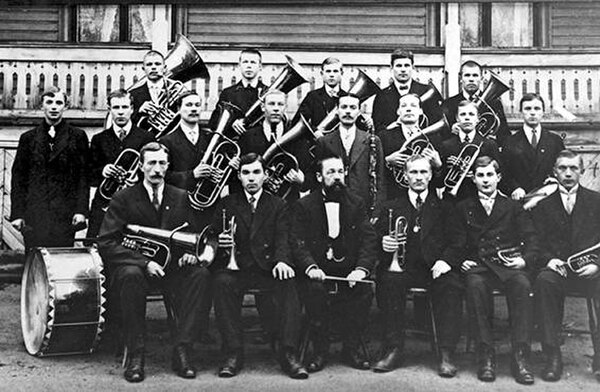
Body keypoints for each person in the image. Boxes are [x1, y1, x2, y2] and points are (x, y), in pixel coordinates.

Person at [98, 142, 212, 383]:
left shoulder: (181, 197)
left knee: (200, 275)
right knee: (130, 275)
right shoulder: (123, 197)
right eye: (151, 163)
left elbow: (196, 235)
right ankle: (136, 354)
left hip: (172, 268)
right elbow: (107, 242)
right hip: (137, 268)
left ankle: (183, 348)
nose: (156, 169)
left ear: (168, 166)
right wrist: (143, 262)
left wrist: (192, 255)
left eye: (161, 163)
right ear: (141, 166)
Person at [210, 153, 308, 379]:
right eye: (246, 173)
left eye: (256, 172)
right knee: (221, 282)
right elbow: (213, 235)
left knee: (288, 281)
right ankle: (233, 352)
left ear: (265, 176)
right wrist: (221, 244)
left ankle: (289, 353)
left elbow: (284, 237)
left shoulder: (279, 204)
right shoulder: (227, 203)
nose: (251, 178)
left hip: (267, 267)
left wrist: (283, 261)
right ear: (239, 176)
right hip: (238, 267)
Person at [443, 156, 540, 384]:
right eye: (480, 176)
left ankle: (520, 356)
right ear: (473, 179)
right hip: (479, 265)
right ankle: (485, 355)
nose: (485, 180)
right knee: (475, 286)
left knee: (523, 285)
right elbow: (456, 241)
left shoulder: (513, 207)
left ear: (498, 178)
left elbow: (531, 237)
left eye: (489, 175)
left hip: (507, 264)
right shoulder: (463, 207)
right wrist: (460, 261)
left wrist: (525, 261)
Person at [371, 154, 463, 377]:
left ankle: (446, 352)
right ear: (405, 176)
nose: (419, 177)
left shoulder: (445, 205)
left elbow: (458, 240)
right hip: (403, 268)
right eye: (413, 172)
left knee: (451, 285)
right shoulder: (391, 206)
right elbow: (374, 238)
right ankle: (394, 348)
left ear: (431, 175)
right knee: (388, 281)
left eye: (423, 172)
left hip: (435, 267)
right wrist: (383, 243)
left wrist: (445, 261)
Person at [290, 154, 378, 372]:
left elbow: (369, 240)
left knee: (365, 290)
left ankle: (351, 347)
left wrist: (361, 270)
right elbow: (297, 242)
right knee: (314, 292)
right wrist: (310, 267)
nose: (337, 177)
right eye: (331, 172)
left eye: (340, 172)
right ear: (319, 176)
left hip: (349, 271)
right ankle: (320, 349)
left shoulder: (356, 202)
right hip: (317, 272)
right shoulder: (304, 204)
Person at [532, 150, 600, 382]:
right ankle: (552, 355)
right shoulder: (542, 205)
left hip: (590, 270)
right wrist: (548, 260)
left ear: (582, 171)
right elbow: (535, 242)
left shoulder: (596, 201)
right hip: (558, 270)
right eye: (562, 168)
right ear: (554, 172)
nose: (568, 173)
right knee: (544, 281)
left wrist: (597, 265)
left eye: (573, 168)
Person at [10, 86, 89, 250]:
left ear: (65, 107)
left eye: (59, 102)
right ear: (42, 106)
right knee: (34, 262)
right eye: (49, 102)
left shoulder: (77, 136)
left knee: (61, 262)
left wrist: (81, 211)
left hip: (65, 215)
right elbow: (19, 178)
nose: (54, 107)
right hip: (35, 214)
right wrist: (17, 214)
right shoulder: (28, 138)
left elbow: (83, 177)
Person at [88, 89, 154, 239]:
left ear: (132, 109)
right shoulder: (99, 139)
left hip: (137, 203)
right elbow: (89, 172)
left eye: (124, 107)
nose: (120, 112)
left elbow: (155, 170)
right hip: (105, 204)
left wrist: (138, 177)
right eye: (116, 108)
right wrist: (103, 170)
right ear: (110, 110)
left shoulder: (147, 137)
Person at [313, 93, 384, 211]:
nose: (348, 111)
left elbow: (380, 177)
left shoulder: (372, 140)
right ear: (337, 111)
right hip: (332, 204)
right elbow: (318, 178)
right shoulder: (324, 142)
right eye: (344, 107)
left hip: (363, 206)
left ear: (359, 112)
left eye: (353, 108)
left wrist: (377, 210)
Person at [239, 89, 310, 201]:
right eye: (271, 104)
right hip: (256, 205)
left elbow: (310, 174)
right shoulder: (247, 137)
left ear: (285, 107)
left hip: (288, 204)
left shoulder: (298, 138)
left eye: (280, 104)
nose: (276, 108)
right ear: (263, 107)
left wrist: (302, 180)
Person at [501, 93, 564, 201]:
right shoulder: (509, 142)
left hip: (548, 201)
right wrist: (514, 188)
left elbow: (563, 168)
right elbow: (503, 173)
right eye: (528, 108)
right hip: (520, 201)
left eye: (537, 108)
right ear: (521, 112)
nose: (533, 112)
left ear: (543, 112)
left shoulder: (555, 141)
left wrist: (554, 180)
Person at [380, 93, 442, 201]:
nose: (408, 109)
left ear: (420, 111)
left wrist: (438, 166)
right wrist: (387, 161)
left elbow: (440, 182)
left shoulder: (433, 138)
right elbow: (374, 174)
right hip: (394, 197)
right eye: (404, 106)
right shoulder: (384, 136)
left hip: (427, 199)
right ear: (398, 112)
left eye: (413, 106)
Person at [437, 100, 499, 202]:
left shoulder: (489, 144)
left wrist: (474, 173)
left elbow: (498, 174)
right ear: (457, 118)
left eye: (471, 114)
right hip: (452, 200)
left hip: (479, 199)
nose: (467, 117)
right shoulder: (446, 145)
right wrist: (444, 167)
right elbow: (439, 181)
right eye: (462, 114)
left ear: (478, 118)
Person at [372, 49, 442, 133]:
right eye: (398, 66)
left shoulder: (427, 91)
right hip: (392, 143)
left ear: (413, 67)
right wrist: (390, 128)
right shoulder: (382, 95)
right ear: (391, 68)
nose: (403, 69)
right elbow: (378, 127)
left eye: (406, 65)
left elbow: (436, 123)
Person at [442, 60, 509, 144]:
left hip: (485, 151)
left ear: (481, 78)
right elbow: (441, 137)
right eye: (467, 75)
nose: (471, 79)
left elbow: (505, 134)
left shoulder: (494, 103)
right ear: (461, 78)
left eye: (475, 75)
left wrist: (493, 140)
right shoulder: (449, 104)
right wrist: (451, 130)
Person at [208, 48, 267, 136]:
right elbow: (214, 123)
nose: (249, 66)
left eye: (253, 62)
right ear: (239, 65)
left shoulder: (268, 92)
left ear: (260, 66)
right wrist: (231, 122)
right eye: (245, 62)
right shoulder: (227, 93)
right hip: (234, 143)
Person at [129, 50, 176, 133]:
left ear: (164, 68)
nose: (153, 67)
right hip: (143, 141)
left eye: (157, 64)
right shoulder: (133, 94)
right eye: (149, 64)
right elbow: (126, 122)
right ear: (143, 69)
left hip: (171, 141)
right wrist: (139, 111)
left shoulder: (174, 91)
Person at [294, 57, 346, 129]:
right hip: (318, 139)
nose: (331, 75)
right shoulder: (312, 96)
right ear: (322, 74)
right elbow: (298, 122)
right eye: (328, 71)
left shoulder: (347, 97)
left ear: (342, 73)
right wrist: (315, 131)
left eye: (335, 71)